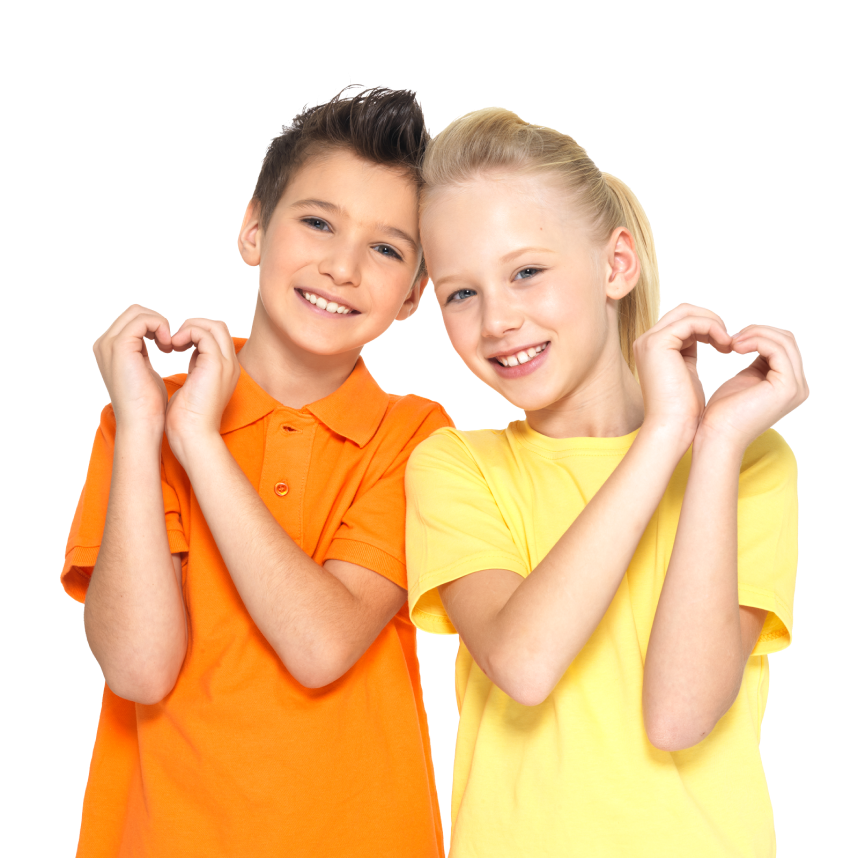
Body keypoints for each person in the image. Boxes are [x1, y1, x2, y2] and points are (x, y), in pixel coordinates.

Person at [404, 107, 808, 858]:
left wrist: (711, 441)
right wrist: (663, 434)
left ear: (615, 265)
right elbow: (525, 664)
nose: (497, 320)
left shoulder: (747, 463)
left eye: (527, 271)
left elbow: (678, 716)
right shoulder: (455, 465)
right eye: (461, 293)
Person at [62, 85, 452, 858]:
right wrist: (147, 428)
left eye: (386, 248)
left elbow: (322, 645)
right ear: (253, 228)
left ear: (413, 292)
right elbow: (139, 668)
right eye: (317, 222)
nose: (342, 267)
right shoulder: (136, 423)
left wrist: (199, 443)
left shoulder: (414, 438)